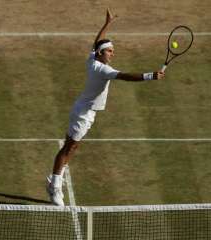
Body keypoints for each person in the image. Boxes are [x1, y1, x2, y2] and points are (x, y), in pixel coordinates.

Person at [46, 8, 165, 206]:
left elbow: (97, 41)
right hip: (83, 113)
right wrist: (150, 75)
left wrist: (107, 23)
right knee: (69, 148)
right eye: (110, 50)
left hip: (86, 110)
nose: (113, 53)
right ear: (101, 53)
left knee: (72, 146)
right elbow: (125, 76)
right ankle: (54, 185)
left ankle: (56, 177)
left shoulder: (93, 58)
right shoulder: (102, 69)